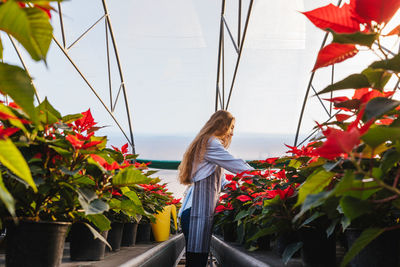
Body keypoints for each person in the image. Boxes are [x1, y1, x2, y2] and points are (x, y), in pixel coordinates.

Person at [178, 110, 254, 267]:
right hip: (196, 214)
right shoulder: (210, 143)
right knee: (196, 263)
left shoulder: (206, 144)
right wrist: (263, 178)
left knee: (196, 262)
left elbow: (223, 182)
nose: (232, 133)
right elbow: (237, 165)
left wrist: (239, 188)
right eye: (231, 127)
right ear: (222, 125)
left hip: (195, 213)